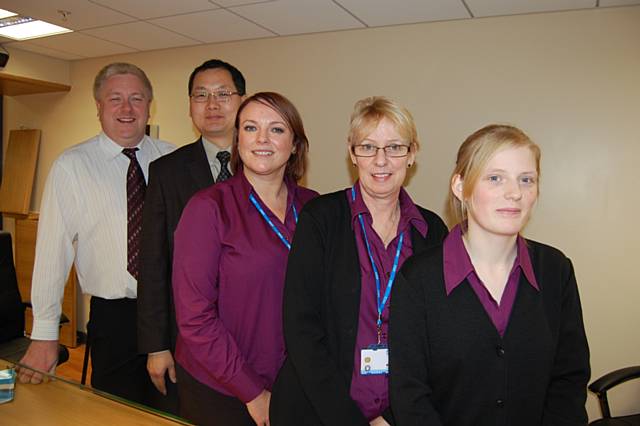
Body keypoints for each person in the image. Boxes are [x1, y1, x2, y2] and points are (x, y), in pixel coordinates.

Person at [389, 124, 590, 426]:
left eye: (526, 180)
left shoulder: (556, 270)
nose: (514, 193)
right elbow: (410, 395)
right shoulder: (417, 280)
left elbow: (568, 381)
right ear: (460, 186)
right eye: (495, 178)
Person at [270, 96, 448, 426]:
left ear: (412, 154)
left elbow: (437, 338)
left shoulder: (432, 231)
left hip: (399, 414)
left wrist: (390, 418)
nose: (381, 160)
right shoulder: (320, 219)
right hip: (317, 411)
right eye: (368, 147)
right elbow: (300, 327)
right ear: (353, 154)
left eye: (395, 147)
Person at [17, 63, 175, 408]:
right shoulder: (71, 166)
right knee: (116, 412)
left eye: (136, 98)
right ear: (99, 107)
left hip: (171, 314)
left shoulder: (173, 159)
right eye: (114, 98)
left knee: (174, 412)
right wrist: (45, 334)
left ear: (150, 105)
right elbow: (51, 253)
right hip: (113, 320)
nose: (127, 108)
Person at [172, 92, 318, 426]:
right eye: (251, 128)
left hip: (292, 380)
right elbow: (195, 317)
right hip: (223, 385)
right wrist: (251, 391)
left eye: (277, 130)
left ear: (295, 144)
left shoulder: (314, 208)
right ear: (238, 139)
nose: (263, 139)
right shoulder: (208, 208)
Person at [137, 59, 246, 414]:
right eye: (201, 95)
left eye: (222, 94)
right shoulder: (166, 172)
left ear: (242, 100)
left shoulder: (267, 164)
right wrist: (157, 346)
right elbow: (153, 262)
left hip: (253, 336)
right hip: (189, 341)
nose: (212, 104)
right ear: (190, 106)